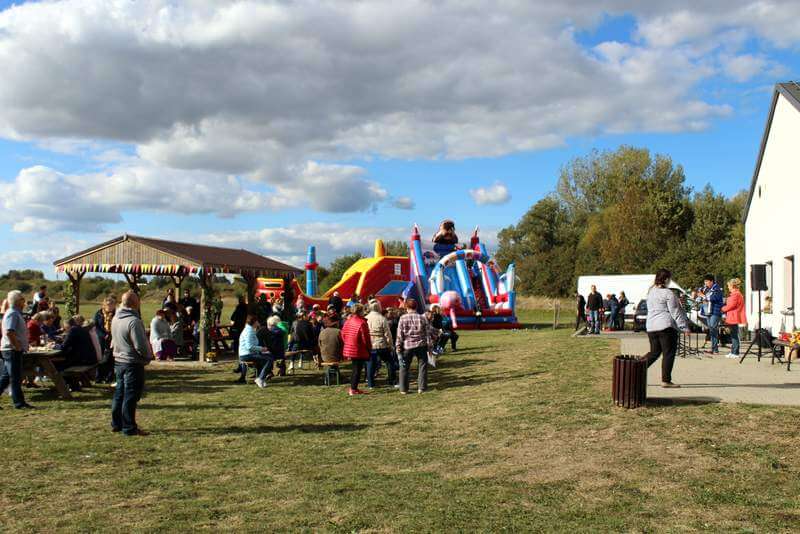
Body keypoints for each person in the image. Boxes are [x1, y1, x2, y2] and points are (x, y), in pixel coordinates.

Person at [110, 291, 151, 436]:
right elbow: (140, 345)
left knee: (120, 393)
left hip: (119, 360)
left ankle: (117, 423)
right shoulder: (134, 321)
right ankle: (129, 427)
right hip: (132, 362)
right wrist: (147, 356)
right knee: (130, 395)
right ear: (135, 303)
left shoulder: (116, 318)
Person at [642, 269, 690, 388]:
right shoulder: (668, 293)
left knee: (654, 352)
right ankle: (666, 380)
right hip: (665, 326)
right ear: (666, 279)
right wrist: (684, 327)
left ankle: (637, 367)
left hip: (651, 326)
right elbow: (675, 312)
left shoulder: (651, 291)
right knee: (668, 353)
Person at [1, 290, 33, 409]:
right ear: (18, 301)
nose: (24, 301)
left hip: (11, 349)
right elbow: (10, 331)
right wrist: (17, 346)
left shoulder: (15, 313)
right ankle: (19, 403)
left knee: (6, 377)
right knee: (15, 377)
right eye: (22, 299)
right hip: (11, 350)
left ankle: (19, 402)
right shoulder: (13, 313)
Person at [395, 298, 432, 394]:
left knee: (404, 367)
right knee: (422, 366)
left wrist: (398, 347)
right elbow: (427, 334)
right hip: (421, 345)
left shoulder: (402, 318)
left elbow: (399, 335)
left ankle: (403, 389)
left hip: (408, 346)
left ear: (406, 307)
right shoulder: (422, 318)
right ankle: (422, 387)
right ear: (416, 307)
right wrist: (430, 347)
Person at [58, 315, 98, 391]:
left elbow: (63, 347)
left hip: (83, 360)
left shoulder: (73, 330)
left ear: (68, 325)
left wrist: (54, 346)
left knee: (58, 365)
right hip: (89, 358)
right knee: (65, 362)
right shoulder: (80, 329)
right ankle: (74, 384)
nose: (65, 329)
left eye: (65, 327)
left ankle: (69, 385)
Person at [341, 303, 372, 395]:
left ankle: (353, 388)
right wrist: (369, 348)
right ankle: (353, 389)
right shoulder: (362, 323)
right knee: (357, 369)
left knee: (355, 368)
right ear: (360, 311)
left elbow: (343, 333)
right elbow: (365, 338)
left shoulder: (348, 321)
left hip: (350, 347)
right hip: (358, 348)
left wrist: (347, 342)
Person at [366, 299, 396, 388]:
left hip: (371, 344)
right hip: (381, 344)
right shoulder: (382, 319)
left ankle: (371, 384)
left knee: (370, 364)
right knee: (389, 362)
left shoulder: (366, 318)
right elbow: (388, 334)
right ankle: (392, 381)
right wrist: (390, 345)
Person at [238, 315, 274, 388]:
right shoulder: (249, 331)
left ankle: (261, 378)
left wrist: (261, 350)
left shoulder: (249, 329)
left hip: (248, 354)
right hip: (246, 355)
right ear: (254, 322)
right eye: (257, 321)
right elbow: (249, 347)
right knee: (269, 359)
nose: (258, 322)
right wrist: (262, 349)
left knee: (267, 357)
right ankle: (260, 378)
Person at [722, 278, 746, 358]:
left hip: (733, 316)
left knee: (734, 335)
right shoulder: (736, 294)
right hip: (733, 316)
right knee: (733, 335)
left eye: (729, 286)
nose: (728, 287)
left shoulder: (736, 294)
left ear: (732, 286)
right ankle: (733, 351)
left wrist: (722, 308)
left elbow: (731, 306)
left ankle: (735, 353)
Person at [94, 296, 116, 383]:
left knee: (111, 358)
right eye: (108, 305)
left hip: (113, 338)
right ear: (104, 305)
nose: (110, 306)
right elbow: (96, 326)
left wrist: (110, 335)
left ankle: (109, 377)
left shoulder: (117, 314)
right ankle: (99, 377)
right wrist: (103, 335)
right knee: (101, 358)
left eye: (112, 305)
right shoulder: (99, 313)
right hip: (101, 339)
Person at [701, 274, 724, 355]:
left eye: (707, 281)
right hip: (707, 311)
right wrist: (701, 296)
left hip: (715, 311)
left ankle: (715, 349)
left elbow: (715, 298)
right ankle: (714, 348)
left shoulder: (717, 288)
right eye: (704, 282)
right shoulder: (706, 289)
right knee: (711, 329)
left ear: (711, 281)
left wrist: (704, 296)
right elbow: (702, 297)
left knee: (713, 327)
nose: (705, 283)